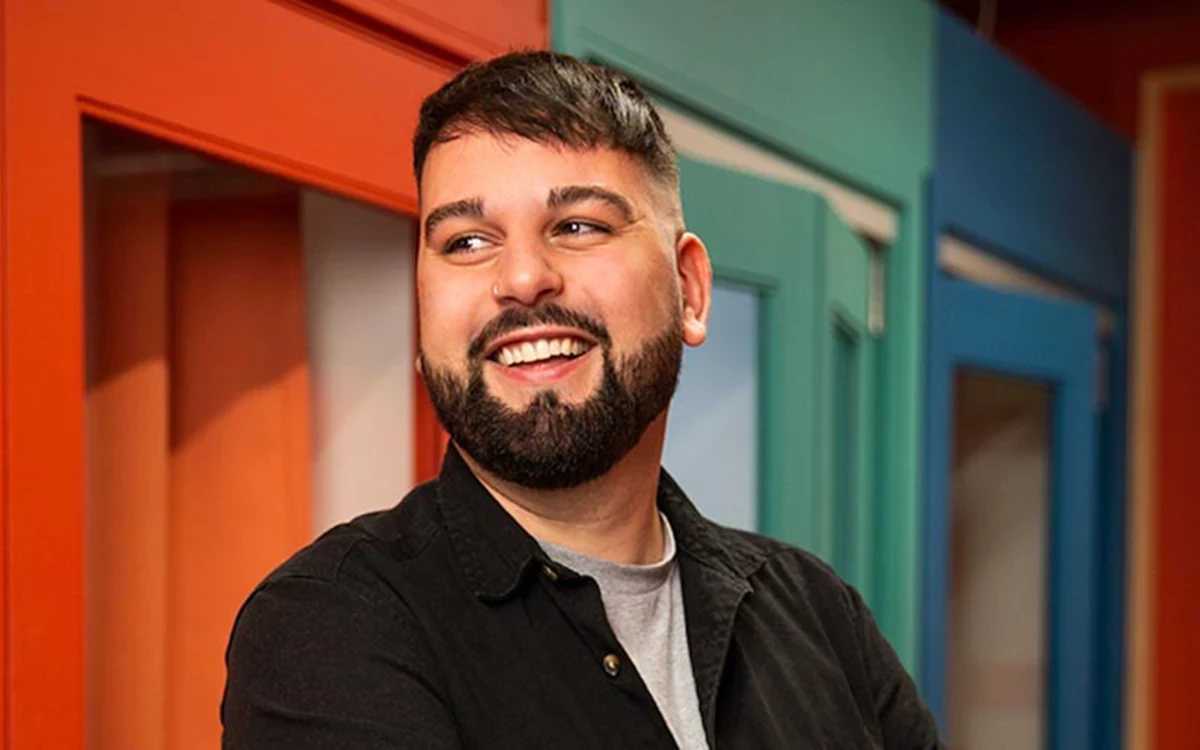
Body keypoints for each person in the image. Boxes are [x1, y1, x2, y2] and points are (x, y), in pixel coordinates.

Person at [221, 50, 943, 749]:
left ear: (690, 291)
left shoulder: (819, 615)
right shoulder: (331, 625)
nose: (522, 278)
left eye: (577, 226)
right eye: (467, 241)